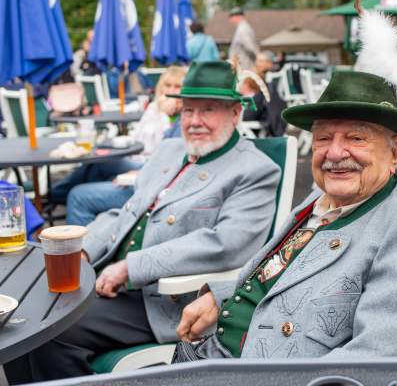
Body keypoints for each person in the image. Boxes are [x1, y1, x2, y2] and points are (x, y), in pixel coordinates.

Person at [172, 9, 397, 362]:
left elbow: (380, 352)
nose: (335, 153)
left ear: (396, 151)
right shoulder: (324, 197)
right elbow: (277, 271)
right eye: (323, 138)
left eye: (356, 138)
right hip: (206, 352)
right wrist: (219, 297)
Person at [5, 61, 281, 383]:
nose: (194, 121)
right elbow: (128, 211)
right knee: (21, 318)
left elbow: (226, 245)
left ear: (236, 113)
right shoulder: (171, 149)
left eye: (209, 110)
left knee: (48, 330)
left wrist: (131, 267)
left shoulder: (254, 169)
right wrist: (83, 249)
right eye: (188, 110)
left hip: (164, 299)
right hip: (107, 280)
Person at [63, 67, 188, 226]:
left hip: (148, 175)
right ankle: (57, 194)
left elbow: (164, 155)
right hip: (141, 164)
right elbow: (138, 138)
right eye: (167, 85)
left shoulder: (183, 120)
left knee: (79, 192)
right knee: (98, 163)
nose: (170, 91)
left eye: (176, 87)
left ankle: (58, 198)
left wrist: (165, 114)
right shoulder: (153, 107)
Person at [238, 51, 286, 136]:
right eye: (257, 60)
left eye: (260, 61)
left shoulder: (269, 80)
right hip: (249, 110)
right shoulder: (253, 76)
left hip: (256, 111)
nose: (257, 63)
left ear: (269, 64)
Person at [228, 7, 259, 71]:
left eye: (231, 17)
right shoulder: (242, 28)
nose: (230, 20)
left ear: (237, 16)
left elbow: (251, 48)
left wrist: (258, 61)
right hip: (242, 67)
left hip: (245, 67)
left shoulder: (243, 29)